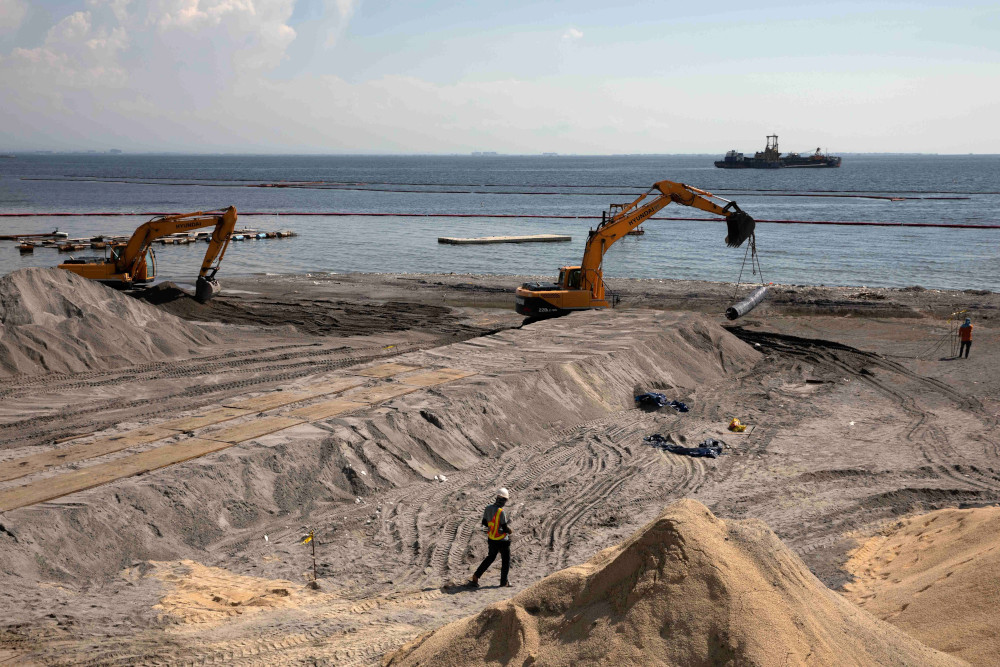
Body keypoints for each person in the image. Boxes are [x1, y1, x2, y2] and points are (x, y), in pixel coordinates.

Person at [469, 488, 513, 588]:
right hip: (502, 540)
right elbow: (505, 528)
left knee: (490, 558)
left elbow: (484, 522)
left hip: (492, 539)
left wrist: (492, 526)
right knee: (506, 561)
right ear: (504, 500)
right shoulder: (501, 512)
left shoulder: (488, 508)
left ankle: (476, 577)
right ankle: (503, 582)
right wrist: (509, 530)